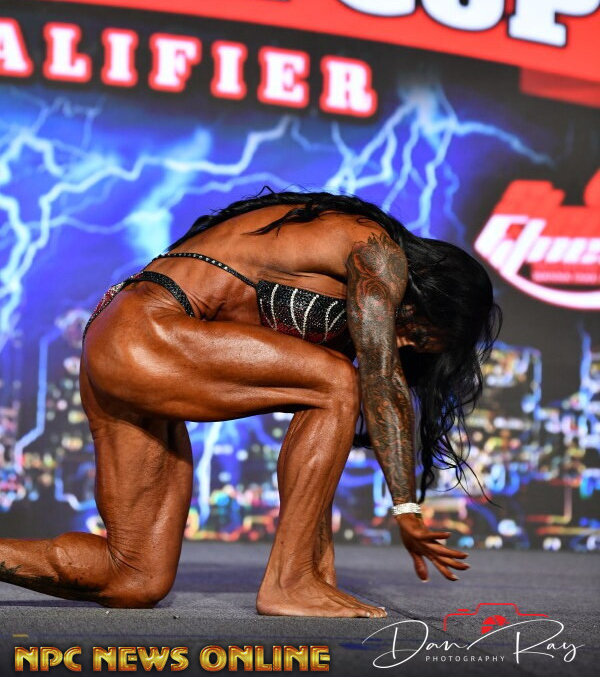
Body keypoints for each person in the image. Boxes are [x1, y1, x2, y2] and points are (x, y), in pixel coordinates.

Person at [0, 191, 501, 618]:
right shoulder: (375, 248)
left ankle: (300, 575)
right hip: (147, 329)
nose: (407, 345)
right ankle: (289, 581)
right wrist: (406, 506)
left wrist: (321, 564)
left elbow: (318, 456)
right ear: (432, 292)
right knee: (339, 380)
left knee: (133, 577)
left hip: (126, 347)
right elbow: (380, 377)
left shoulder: (351, 283)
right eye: (419, 334)